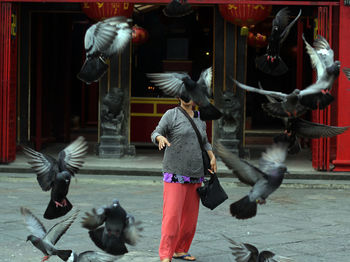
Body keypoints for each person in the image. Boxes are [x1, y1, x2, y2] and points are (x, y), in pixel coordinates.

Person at [151, 97, 217, 262]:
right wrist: (160, 138)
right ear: (178, 97)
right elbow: (156, 132)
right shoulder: (171, 114)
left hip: (196, 172)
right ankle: (166, 254)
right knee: (172, 216)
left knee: (190, 218)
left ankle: (180, 249)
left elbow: (204, 141)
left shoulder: (200, 117)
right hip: (175, 172)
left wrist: (212, 156)